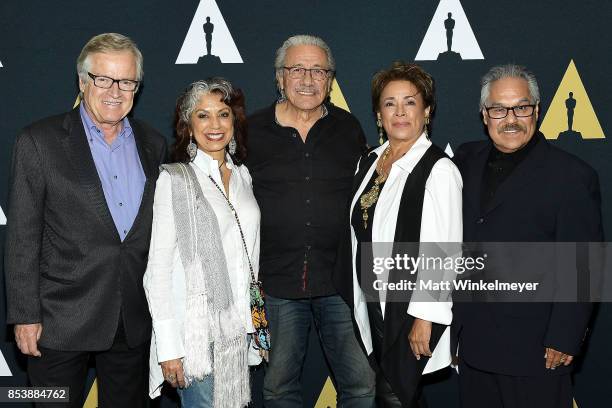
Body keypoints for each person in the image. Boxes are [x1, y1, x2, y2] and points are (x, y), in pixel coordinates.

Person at [4, 33, 167, 407]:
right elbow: (23, 237)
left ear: (136, 87)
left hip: (132, 317)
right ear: (82, 81)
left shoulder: (153, 143)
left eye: (126, 81)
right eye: (103, 79)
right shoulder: (39, 141)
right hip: (59, 318)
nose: (115, 90)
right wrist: (24, 315)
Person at [453, 64, 603, 408]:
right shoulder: (465, 159)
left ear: (536, 110)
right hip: (474, 343)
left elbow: (584, 266)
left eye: (521, 107)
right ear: (484, 114)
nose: (511, 118)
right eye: (499, 109)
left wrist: (565, 337)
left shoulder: (572, 176)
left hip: (536, 349)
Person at [246, 34, 375, 407]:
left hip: (340, 283)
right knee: (279, 387)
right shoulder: (250, 132)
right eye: (297, 69)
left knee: (361, 385)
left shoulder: (348, 129)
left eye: (318, 70)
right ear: (279, 77)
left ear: (330, 79)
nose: (307, 79)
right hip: (277, 284)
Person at [338, 61, 462, 407]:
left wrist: (425, 317)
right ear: (379, 114)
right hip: (375, 302)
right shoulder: (370, 162)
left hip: (409, 309)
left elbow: (445, 249)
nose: (400, 112)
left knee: (394, 394)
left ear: (427, 111)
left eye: (410, 102)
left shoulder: (438, 169)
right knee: (399, 394)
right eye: (390, 103)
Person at [144, 78, 262, 407]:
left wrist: (256, 323)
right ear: (188, 124)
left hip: (238, 331)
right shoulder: (174, 180)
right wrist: (169, 348)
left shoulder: (243, 176)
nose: (214, 125)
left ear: (234, 122)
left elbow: (248, 259)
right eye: (203, 115)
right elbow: (158, 270)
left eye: (223, 114)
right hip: (194, 338)